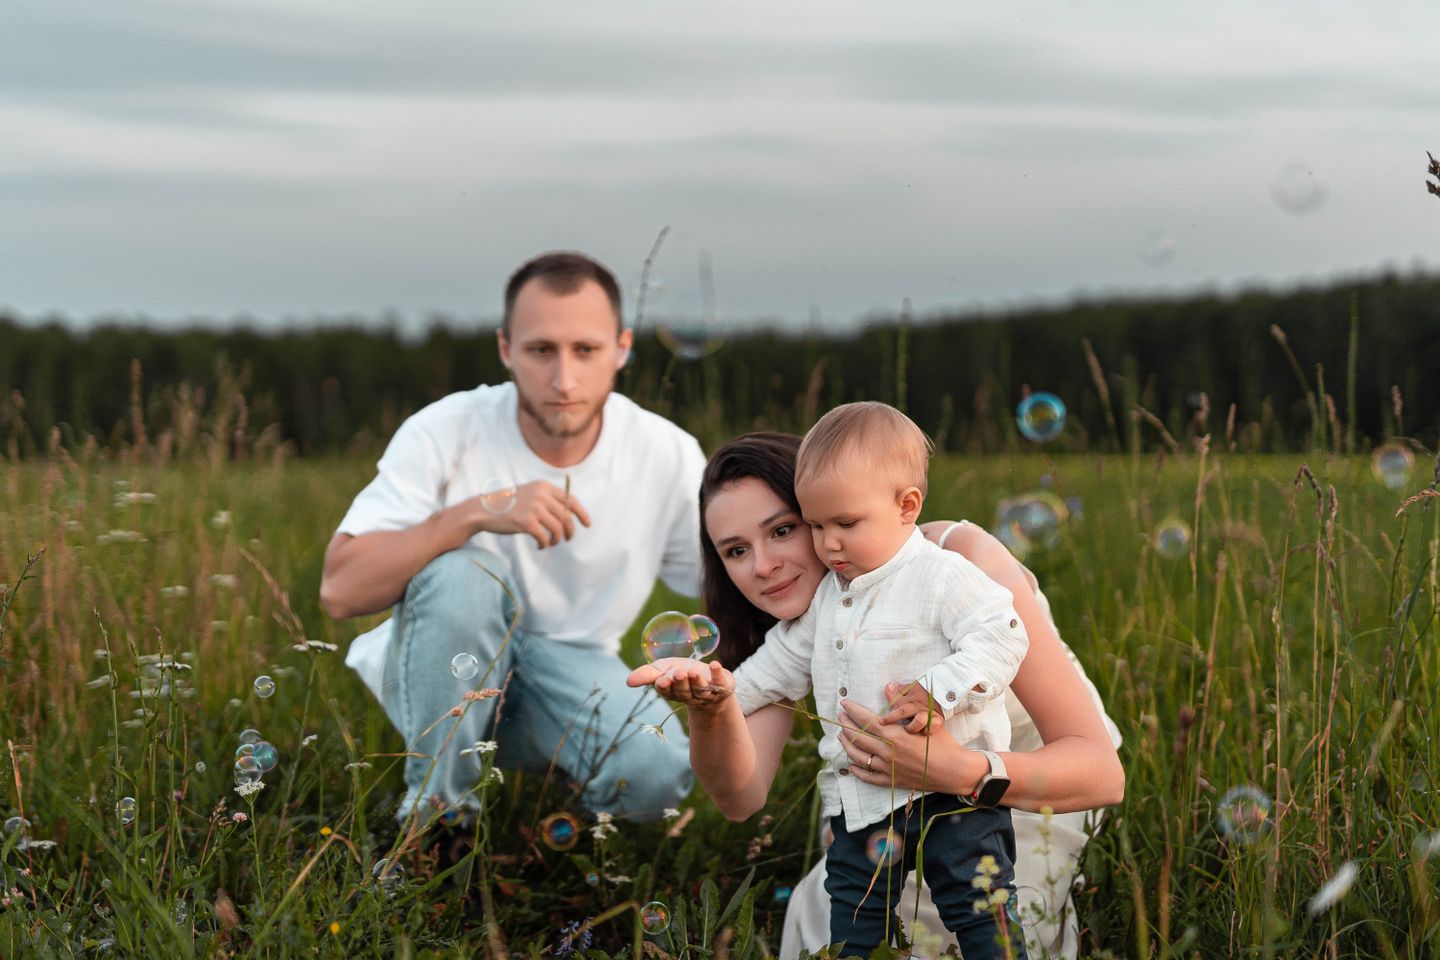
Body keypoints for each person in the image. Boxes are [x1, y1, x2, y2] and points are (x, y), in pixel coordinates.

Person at [628, 431, 1124, 959]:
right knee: (833, 924)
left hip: (1019, 793)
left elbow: (1101, 774)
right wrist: (711, 706)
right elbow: (739, 797)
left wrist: (959, 772)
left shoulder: (954, 563)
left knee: (965, 928)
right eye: (736, 550)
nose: (762, 566)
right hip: (887, 803)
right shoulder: (795, 627)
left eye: (783, 529)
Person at [320, 250, 704, 822]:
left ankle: (554, 808)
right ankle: (437, 824)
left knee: (655, 774)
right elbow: (340, 590)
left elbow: (723, 582)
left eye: (586, 350)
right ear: (506, 349)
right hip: (440, 669)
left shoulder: (664, 451)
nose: (564, 379)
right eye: (541, 350)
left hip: (574, 672)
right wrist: (475, 513)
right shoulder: (446, 429)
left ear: (622, 348)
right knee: (463, 576)